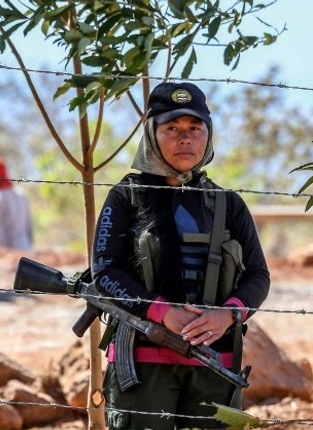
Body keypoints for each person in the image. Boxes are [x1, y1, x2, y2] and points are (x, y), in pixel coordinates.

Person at [91, 82, 270, 429]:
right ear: (151, 135)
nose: (184, 139)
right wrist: (160, 312)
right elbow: (105, 272)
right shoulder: (126, 196)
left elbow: (258, 277)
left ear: (209, 135)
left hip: (214, 365)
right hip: (141, 366)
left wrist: (227, 315)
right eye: (171, 128)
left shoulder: (228, 204)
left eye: (194, 128)